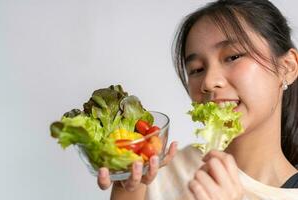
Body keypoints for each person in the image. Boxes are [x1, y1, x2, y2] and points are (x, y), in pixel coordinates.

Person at [98, 0, 298, 199]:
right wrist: (127, 189)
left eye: (233, 57)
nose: (209, 82)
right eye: (196, 70)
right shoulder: (162, 172)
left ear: (288, 67)